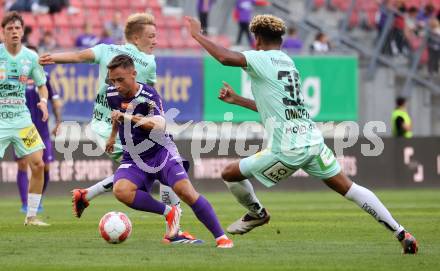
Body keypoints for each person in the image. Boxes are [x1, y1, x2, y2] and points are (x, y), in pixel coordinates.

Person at [184, 14, 418, 254]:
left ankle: (257, 213)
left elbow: (224, 57)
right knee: (350, 188)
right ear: (281, 40)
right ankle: (401, 232)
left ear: (257, 39)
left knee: (229, 173)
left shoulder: (261, 58)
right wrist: (238, 100)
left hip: (289, 148)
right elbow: (274, 107)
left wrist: (197, 35)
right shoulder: (287, 62)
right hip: (313, 142)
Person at [39, 13, 199, 243]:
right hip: (119, 128)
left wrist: (52, 57)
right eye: (151, 36)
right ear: (135, 37)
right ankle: (173, 230)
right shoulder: (148, 63)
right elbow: (151, 99)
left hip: (102, 128)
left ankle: (86, 195)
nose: (156, 41)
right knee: (159, 167)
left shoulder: (106, 50)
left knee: (140, 172)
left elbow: (79, 55)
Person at [104, 54, 233, 248]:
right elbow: (117, 116)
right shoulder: (112, 94)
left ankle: (222, 238)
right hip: (134, 156)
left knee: (185, 191)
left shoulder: (149, 95)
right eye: (113, 80)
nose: (116, 85)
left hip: (160, 152)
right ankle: (170, 212)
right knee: (121, 190)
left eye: (120, 80)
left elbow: (158, 125)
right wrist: (113, 135)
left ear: (134, 74)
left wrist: (128, 117)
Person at [0, 11, 50, 226]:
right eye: (9, 29)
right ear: (3, 33)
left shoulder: (30, 57)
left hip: (21, 119)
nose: (14, 32)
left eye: (17, 28)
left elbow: (42, 85)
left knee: (38, 164)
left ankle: (31, 217)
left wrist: (43, 102)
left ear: (22, 32)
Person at [16, 45, 62, 214]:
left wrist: (58, 121)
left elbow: (56, 101)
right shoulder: (17, 77)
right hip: (24, 128)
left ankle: (37, 198)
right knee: (23, 164)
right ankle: (25, 203)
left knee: (46, 167)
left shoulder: (45, 78)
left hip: (42, 129)